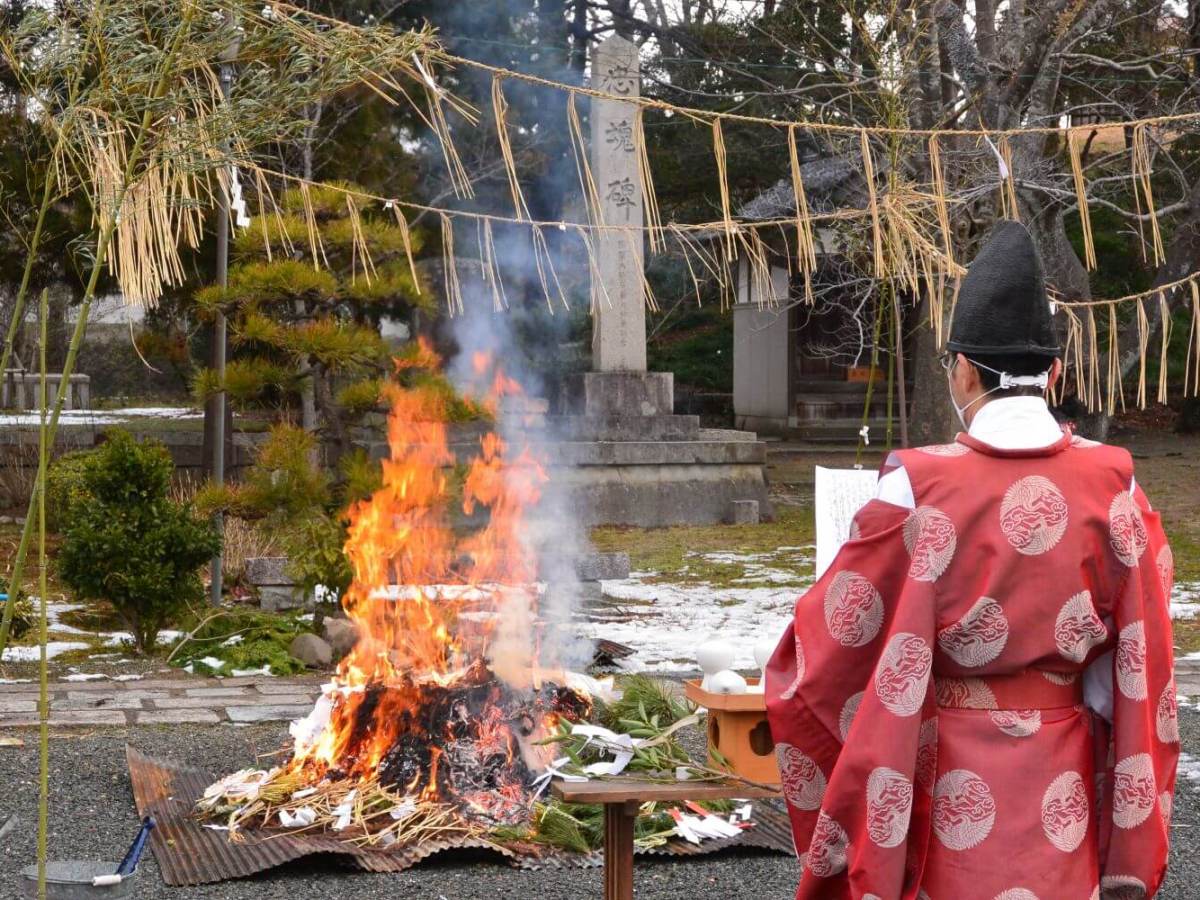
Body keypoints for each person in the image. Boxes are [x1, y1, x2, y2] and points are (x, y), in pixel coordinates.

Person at [764, 220, 1179, 900]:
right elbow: (1142, 655)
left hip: (945, 769)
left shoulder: (915, 485)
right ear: (1055, 371)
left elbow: (834, 649)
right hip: (1063, 777)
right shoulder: (1118, 484)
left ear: (961, 368)